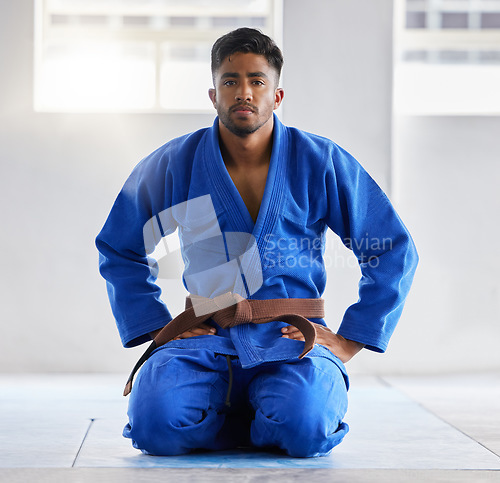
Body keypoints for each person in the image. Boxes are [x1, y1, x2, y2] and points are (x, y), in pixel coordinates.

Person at [96, 27, 418, 458]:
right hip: (206, 336)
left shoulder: (319, 160)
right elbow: (120, 247)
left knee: (305, 428)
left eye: (256, 81)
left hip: (291, 340)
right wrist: (157, 327)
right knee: (155, 426)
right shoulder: (175, 162)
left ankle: (251, 416)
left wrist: (350, 339)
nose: (243, 92)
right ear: (213, 94)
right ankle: (250, 418)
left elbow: (392, 248)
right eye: (230, 81)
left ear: (277, 96)